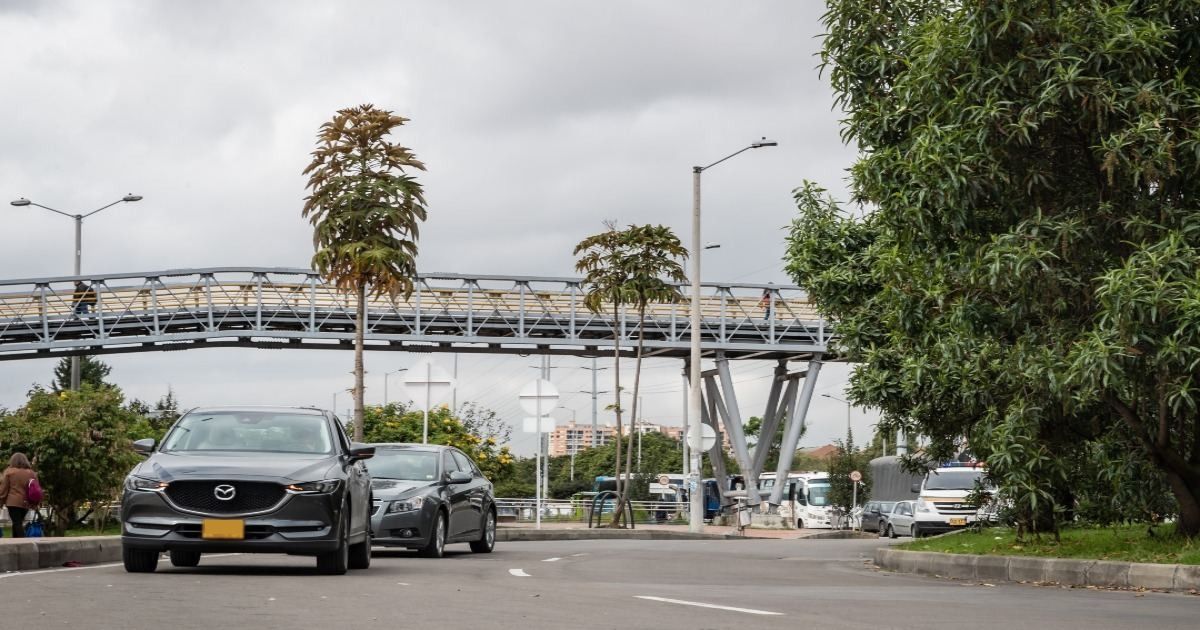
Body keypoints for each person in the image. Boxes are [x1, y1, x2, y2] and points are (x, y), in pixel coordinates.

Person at [0, 453, 39, 538]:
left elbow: (4, 489)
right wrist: (35, 503)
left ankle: (23, 541)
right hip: (26, 502)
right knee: (17, 522)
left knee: (17, 523)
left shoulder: (9, 472)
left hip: (13, 502)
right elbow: (35, 488)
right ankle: (16, 541)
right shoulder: (31, 473)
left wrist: (1, 501)